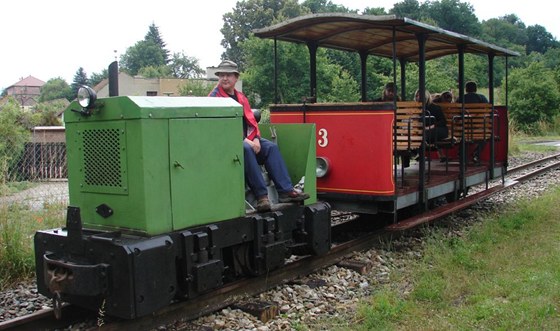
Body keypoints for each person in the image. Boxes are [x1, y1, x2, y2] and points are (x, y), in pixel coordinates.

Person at [208, 60, 309, 212]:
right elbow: (218, 130)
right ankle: (262, 197)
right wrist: (247, 141)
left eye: (228, 75)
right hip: (226, 144)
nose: (224, 78)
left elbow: (251, 123)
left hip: (246, 140)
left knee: (270, 148)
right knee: (246, 149)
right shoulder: (214, 99)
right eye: (221, 75)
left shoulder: (240, 97)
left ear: (236, 78)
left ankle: (285, 191)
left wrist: (255, 138)